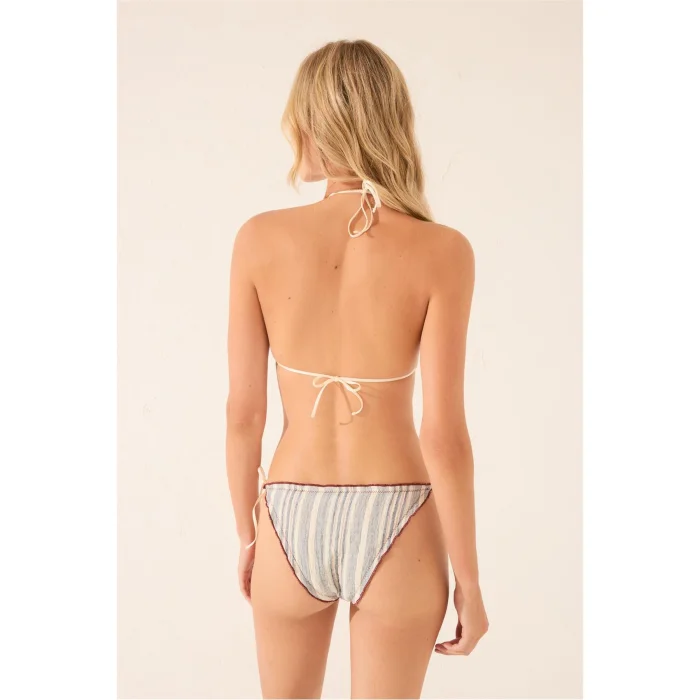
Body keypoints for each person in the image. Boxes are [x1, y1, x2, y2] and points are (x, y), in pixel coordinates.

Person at [226, 39, 488, 699]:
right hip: (400, 519)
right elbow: (444, 435)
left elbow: (243, 416)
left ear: (314, 124)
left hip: (289, 514)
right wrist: (470, 581)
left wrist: (248, 535)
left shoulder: (259, 238)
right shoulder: (444, 251)